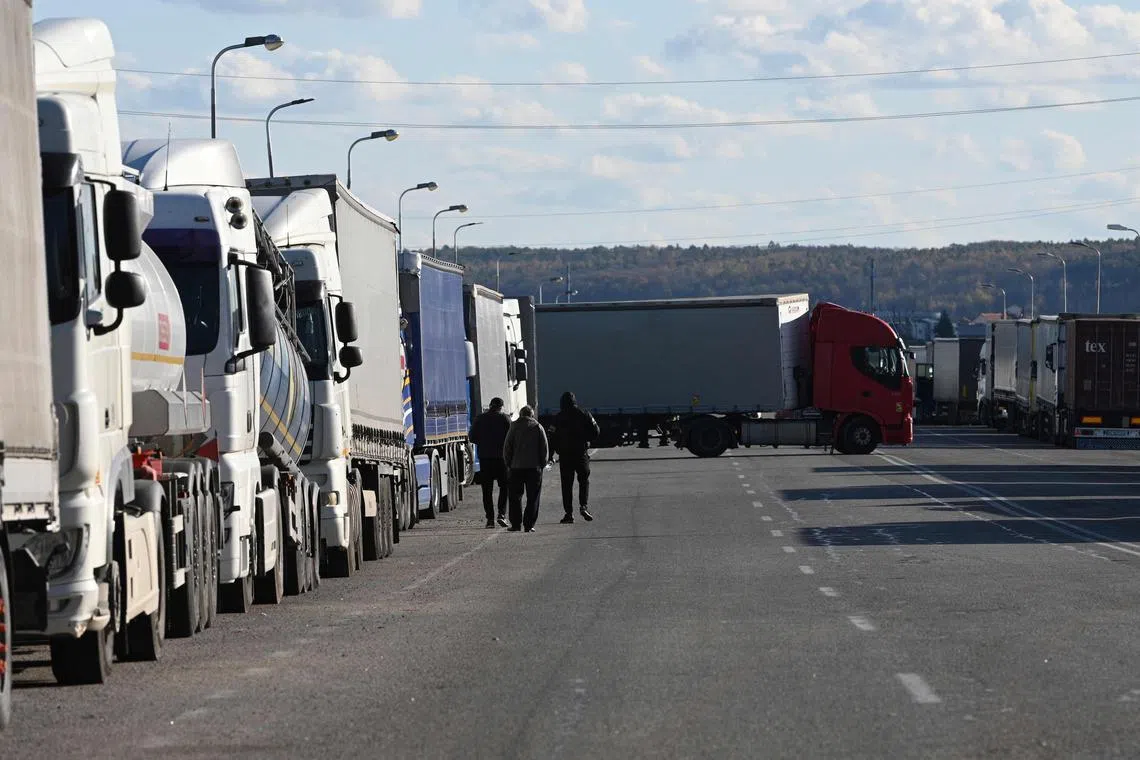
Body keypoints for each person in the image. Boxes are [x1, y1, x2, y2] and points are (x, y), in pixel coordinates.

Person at [551, 391, 600, 524]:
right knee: (584, 480)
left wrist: (551, 454)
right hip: (581, 453)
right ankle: (583, 506)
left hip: (565, 455)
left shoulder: (558, 417)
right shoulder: (584, 414)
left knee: (566, 485)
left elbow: (551, 436)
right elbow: (596, 431)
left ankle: (568, 513)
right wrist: (587, 440)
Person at [502, 405, 549, 533]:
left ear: (521, 415)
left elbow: (507, 447)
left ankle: (516, 524)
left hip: (516, 468)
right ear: (532, 415)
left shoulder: (514, 426)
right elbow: (544, 448)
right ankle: (529, 525)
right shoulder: (538, 427)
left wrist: (508, 464)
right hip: (534, 468)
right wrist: (542, 464)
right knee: (533, 497)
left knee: (515, 497)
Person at [470, 397, 512, 528]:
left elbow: (472, 437)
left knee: (487, 490)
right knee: (504, 487)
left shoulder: (480, 419)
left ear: (490, 406)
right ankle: (501, 514)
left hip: (485, 459)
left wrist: (483, 444)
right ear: (501, 407)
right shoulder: (505, 419)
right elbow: (511, 438)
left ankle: (489, 519)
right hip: (501, 459)